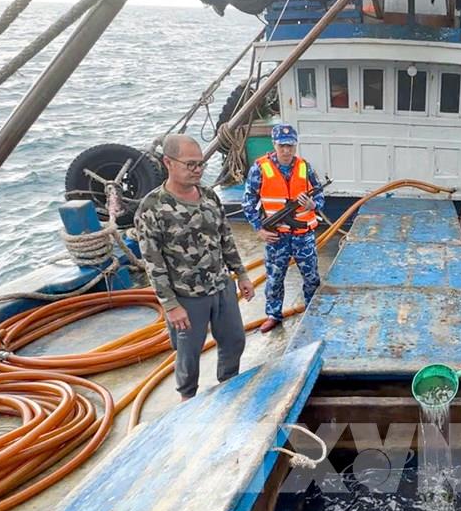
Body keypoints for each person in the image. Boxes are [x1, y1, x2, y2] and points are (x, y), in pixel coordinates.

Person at [135, 134, 255, 401]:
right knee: (188, 354)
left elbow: (225, 237)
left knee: (235, 340)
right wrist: (170, 305)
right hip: (187, 297)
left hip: (221, 287)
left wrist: (242, 275)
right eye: (190, 164)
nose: (197, 170)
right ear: (168, 162)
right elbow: (153, 263)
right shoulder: (152, 208)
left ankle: (228, 388)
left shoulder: (209, 195)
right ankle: (187, 399)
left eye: (200, 164)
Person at [242, 123, 325, 333]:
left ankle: (312, 311)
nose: (286, 151)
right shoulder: (260, 168)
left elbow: (320, 195)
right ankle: (273, 314)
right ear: (274, 145)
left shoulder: (305, 167)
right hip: (276, 236)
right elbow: (248, 202)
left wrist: (313, 205)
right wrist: (259, 229)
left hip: (303, 235)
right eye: (282, 146)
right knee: (275, 278)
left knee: (311, 277)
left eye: (290, 146)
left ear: (295, 145)